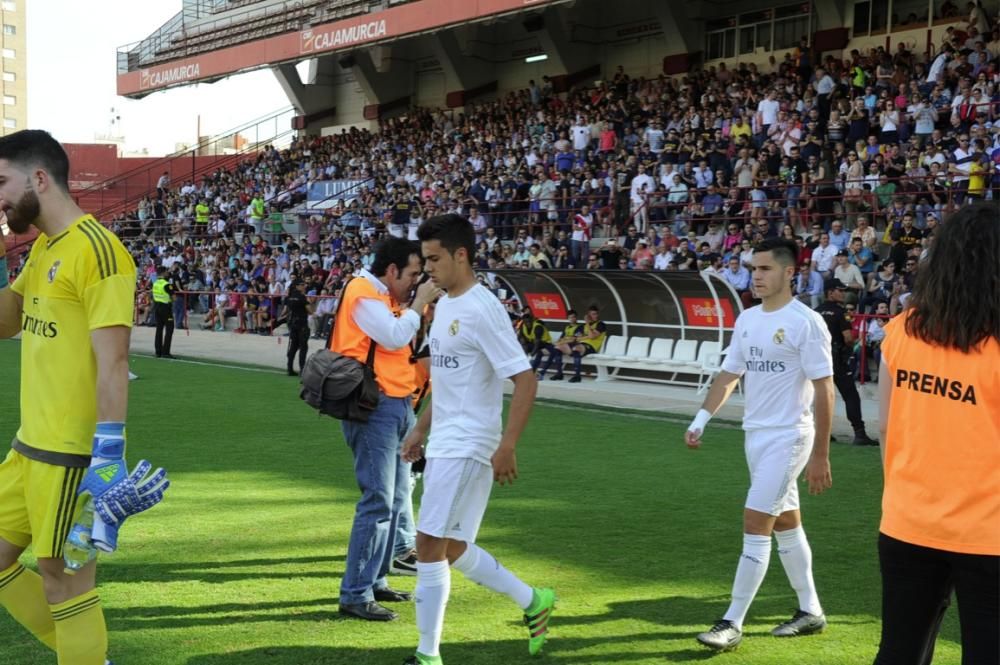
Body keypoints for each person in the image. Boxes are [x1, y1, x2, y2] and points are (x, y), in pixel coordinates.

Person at [0, 130, 168, 665]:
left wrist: (108, 453)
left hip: (72, 454)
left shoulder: (100, 250)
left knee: (64, 582)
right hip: (29, 447)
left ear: (39, 179)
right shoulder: (45, 248)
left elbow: (115, 360)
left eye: (1, 182)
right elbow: (6, 325)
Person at [401, 213, 555, 665]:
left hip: (470, 444)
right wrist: (420, 428)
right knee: (449, 548)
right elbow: (448, 383)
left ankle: (427, 655)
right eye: (424, 259)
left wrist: (506, 445)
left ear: (461, 254)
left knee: (428, 544)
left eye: (434, 259)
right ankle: (534, 600)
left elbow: (525, 381)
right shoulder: (445, 304)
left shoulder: (483, 308)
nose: (428, 268)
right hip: (447, 440)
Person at [685, 237, 835, 651]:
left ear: (790, 273)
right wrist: (701, 419)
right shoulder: (748, 319)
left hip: (790, 436)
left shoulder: (807, 321)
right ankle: (811, 611)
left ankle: (731, 622)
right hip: (755, 435)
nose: (757, 275)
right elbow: (730, 374)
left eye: (765, 268)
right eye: (754, 268)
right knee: (786, 521)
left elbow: (826, 390)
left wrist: (821, 453)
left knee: (756, 522)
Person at [873, 202, 999, 665]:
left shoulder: (902, 330)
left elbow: (886, 426)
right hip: (988, 533)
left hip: (907, 520)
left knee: (900, 651)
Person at [332, 236, 441, 622]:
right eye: (413, 273)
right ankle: (356, 592)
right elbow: (394, 336)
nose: (417, 281)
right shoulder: (362, 291)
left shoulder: (383, 295)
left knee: (394, 500)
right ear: (391, 270)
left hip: (395, 403)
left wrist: (415, 306)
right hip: (372, 406)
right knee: (378, 500)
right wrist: (419, 303)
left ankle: (375, 581)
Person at [815, 279, 879, 445]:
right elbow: (848, 338)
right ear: (830, 292)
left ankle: (822, 433)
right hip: (837, 358)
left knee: (823, 397)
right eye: (840, 290)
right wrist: (852, 344)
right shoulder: (840, 312)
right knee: (850, 395)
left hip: (818, 358)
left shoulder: (816, 312)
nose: (843, 293)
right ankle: (859, 433)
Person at [279, 278, 312, 376]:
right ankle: (302, 369)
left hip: (292, 324)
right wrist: (309, 302)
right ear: (297, 286)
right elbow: (310, 311)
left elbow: (284, 312)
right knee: (303, 347)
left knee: (293, 346)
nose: (304, 286)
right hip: (302, 324)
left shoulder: (289, 297)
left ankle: (289, 368)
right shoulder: (302, 297)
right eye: (302, 284)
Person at [151, 265, 175, 359]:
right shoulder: (167, 284)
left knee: (159, 329)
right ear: (164, 272)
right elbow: (174, 298)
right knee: (169, 329)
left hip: (157, 307)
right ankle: (166, 351)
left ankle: (158, 351)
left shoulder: (155, 283)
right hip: (166, 307)